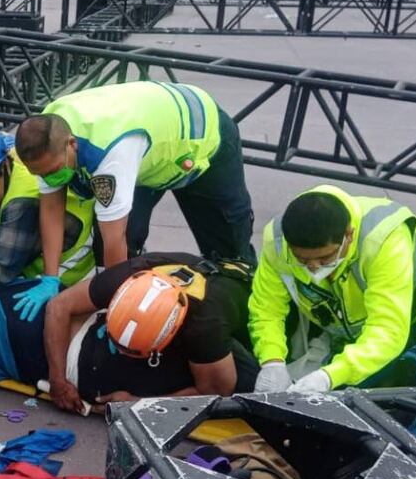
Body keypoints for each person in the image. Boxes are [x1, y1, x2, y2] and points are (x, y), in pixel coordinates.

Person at [13, 81, 255, 318]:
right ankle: (133, 289)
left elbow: (113, 237)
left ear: (72, 144)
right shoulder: (46, 138)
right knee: (126, 237)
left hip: (198, 137)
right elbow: (52, 209)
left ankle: (247, 313)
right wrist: (50, 278)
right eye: (40, 174)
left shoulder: (111, 154)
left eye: (54, 171)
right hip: (148, 152)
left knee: (229, 249)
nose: (50, 179)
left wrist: (111, 306)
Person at [0, 253, 257, 413]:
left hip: (242, 311)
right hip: (5, 326)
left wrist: (139, 405)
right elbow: (59, 306)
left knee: (247, 379)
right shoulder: (132, 274)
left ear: (164, 341)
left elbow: (216, 390)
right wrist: (57, 379)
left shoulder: (204, 327)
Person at [250, 185, 416, 394]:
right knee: (356, 377)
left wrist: (329, 376)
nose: (313, 267)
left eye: (325, 258)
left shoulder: (384, 240)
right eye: (302, 259)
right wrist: (272, 361)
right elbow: (267, 309)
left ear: (349, 234)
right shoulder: (277, 242)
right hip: (358, 316)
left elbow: (387, 330)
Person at [0, 125, 95, 303]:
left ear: (3, 166)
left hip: (71, 277)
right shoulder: (12, 174)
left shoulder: (22, 203)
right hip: (41, 273)